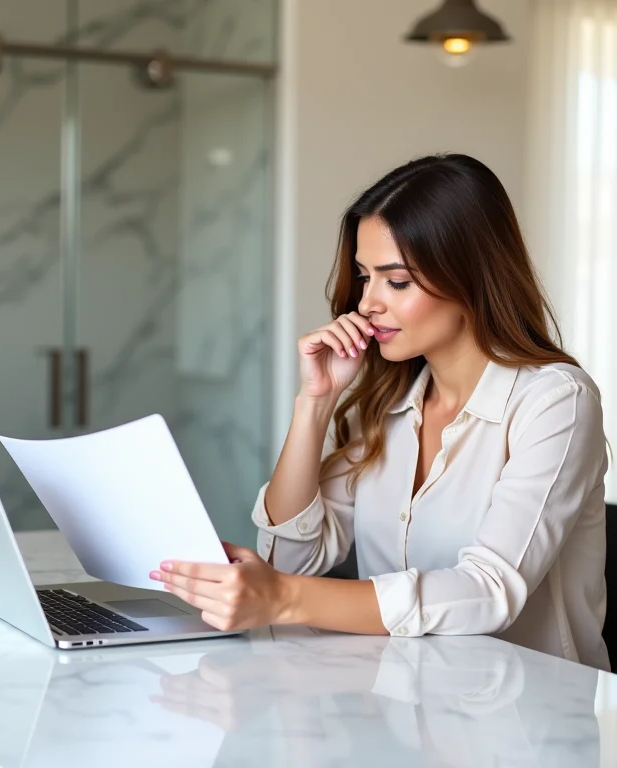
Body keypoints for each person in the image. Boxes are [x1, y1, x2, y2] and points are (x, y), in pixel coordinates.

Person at [149, 153, 610, 671]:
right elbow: (292, 559)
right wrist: (315, 403)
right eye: (364, 276)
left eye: (397, 281)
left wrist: (283, 595)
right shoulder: (388, 403)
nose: (367, 302)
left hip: (534, 708)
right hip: (401, 697)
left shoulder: (556, 401)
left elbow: (490, 591)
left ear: (471, 278)